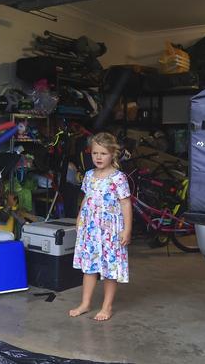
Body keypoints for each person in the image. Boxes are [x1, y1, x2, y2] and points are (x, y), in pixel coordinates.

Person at [69, 132, 132, 321]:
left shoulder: (118, 178)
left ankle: (107, 306)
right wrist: (80, 217)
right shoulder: (89, 175)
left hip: (110, 230)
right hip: (90, 228)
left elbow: (126, 203)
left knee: (109, 268)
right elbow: (86, 198)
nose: (98, 157)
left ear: (113, 154)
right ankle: (85, 303)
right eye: (95, 153)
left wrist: (127, 229)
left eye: (103, 153)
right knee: (89, 267)